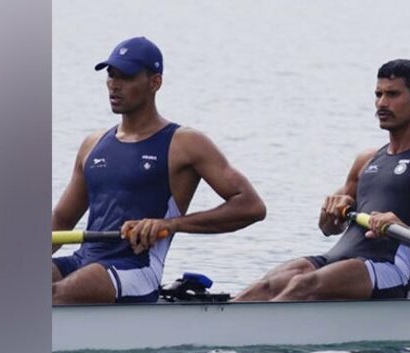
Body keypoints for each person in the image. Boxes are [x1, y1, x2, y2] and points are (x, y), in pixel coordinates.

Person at [234, 59, 410, 302]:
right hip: (335, 258)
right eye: (378, 94)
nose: (381, 103)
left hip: (386, 268)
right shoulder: (366, 159)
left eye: (392, 95)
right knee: (265, 286)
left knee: (303, 285)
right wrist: (331, 211)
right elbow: (328, 228)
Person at [52, 37, 266, 304]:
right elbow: (61, 220)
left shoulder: (185, 143)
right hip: (83, 259)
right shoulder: (92, 145)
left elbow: (251, 207)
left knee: (50, 296)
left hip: (135, 268)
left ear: (155, 82)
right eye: (111, 75)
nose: (114, 85)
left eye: (126, 77)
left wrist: (170, 224)